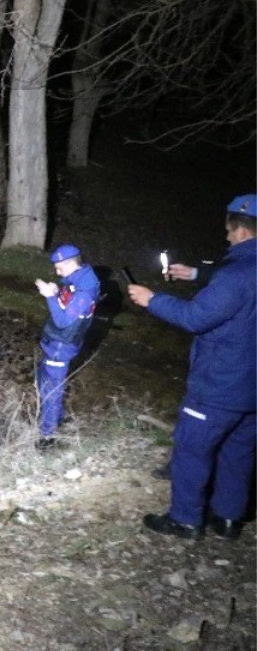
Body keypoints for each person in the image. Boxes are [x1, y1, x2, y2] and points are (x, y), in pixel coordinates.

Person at [127, 193, 257, 539]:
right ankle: (228, 519)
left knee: (192, 449)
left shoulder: (235, 275)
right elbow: (240, 283)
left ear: (242, 232)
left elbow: (195, 317)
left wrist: (152, 299)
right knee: (238, 451)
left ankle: (185, 519)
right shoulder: (240, 271)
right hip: (252, 390)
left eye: (229, 232)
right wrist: (198, 273)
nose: (227, 237)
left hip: (220, 383)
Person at [34, 244, 101, 450]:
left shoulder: (85, 290)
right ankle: (56, 417)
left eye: (59, 267)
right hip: (54, 341)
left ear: (71, 263)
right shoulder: (79, 277)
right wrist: (56, 289)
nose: (57, 271)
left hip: (61, 345)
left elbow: (64, 321)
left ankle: (48, 436)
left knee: (51, 389)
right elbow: (66, 289)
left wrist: (50, 296)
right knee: (42, 378)